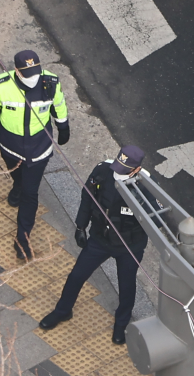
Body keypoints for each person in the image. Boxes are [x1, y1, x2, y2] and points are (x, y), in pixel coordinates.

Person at [40, 145, 149, 343]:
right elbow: (87, 198)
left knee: (126, 287)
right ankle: (63, 310)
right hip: (100, 239)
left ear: (136, 170)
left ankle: (121, 323)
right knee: (76, 275)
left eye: (125, 170)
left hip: (129, 247)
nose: (118, 172)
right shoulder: (102, 170)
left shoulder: (147, 187)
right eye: (118, 166)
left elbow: (157, 221)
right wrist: (81, 226)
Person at [0, 49, 70, 261]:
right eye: (28, 74)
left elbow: (59, 104)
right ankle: (17, 185)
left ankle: (22, 239)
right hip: (10, 146)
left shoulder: (51, 83)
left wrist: (63, 125)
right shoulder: (0, 86)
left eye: (36, 72)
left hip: (39, 148)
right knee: (17, 176)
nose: (33, 79)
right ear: (17, 71)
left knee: (31, 193)